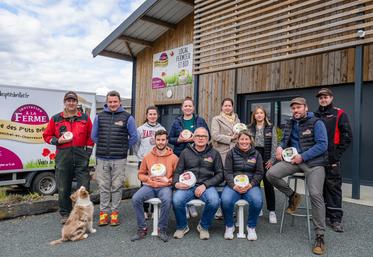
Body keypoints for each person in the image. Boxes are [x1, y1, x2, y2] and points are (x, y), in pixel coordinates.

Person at [266, 97, 328, 255]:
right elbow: (284, 140)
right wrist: (280, 148)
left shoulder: (316, 122)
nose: (295, 111)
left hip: (313, 163)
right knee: (271, 174)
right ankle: (293, 195)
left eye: (298, 107)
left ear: (305, 108)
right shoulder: (290, 123)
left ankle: (320, 236)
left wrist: (303, 156)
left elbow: (322, 145)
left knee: (315, 194)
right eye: (293, 108)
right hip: (292, 161)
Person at [43, 91, 94, 224]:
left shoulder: (85, 118)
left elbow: (91, 136)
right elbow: (46, 136)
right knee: (63, 186)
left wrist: (87, 152)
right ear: (64, 102)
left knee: (84, 186)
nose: (71, 103)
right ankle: (65, 214)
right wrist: (57, 141)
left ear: (77, 103)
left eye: (73, 100)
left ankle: (82, 214)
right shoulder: (56, 119)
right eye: (68, 100)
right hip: (63, 155)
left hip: (81, 155)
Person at [91, 90, 137, 226]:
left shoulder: (127, 117)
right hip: (102, 158)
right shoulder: (99, 117)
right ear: (106, 102)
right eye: (110, 102)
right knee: (104, 186)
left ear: (120, 102)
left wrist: (123, 147)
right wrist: (105, 145)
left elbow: (134, 137)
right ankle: (104, 214)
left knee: (117, 186)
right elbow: (93, 136)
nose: (112, 104)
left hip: (119, 159)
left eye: (115, 101)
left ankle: (114, 213)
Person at [172, 127, 223, 240]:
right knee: (176, 200)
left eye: (204, 136)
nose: (201, 138)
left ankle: (203, 226)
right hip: (188, 186)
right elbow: (178, 171)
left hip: (206, 186)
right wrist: (176, 183)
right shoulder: (185, 152)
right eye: (198, 136)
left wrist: (205, 185)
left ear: (208, 138)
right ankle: (182, 227)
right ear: (193, 138)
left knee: (214, 201)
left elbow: (220, 174)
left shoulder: (214, 153)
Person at [314, 88, 352, 233]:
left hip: (332, 159)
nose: (323, 99)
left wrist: (336, 155)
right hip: (317, 160)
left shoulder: (339, 113)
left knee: (334, 188)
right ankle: (321, 216)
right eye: (321, 97)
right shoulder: (314, 115)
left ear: (331, 98)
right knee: (319, 188)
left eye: (326, 97)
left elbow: (347, 136)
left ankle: (336, 219)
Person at [131, 130, 178, 242]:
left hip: (165, 186)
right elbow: (140, 174)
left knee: (167, 199)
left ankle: (162, 229)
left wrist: (168, 179)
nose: (161, 142)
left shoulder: (174, 158)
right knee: (136, 198)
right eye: (158, 140)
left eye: (163, 140)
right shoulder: (148, 157)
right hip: (150, 186)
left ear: (167, 141)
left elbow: (178, 175)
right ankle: (142, 228)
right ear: (155, 141)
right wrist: (148, 178)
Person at [169, 96, 210, 218]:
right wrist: (179, 139)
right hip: (180, 153)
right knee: (182, 178)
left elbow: (209, 136)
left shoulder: (200, 120)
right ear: (182, 108)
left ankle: (190, 203)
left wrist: (197, 139)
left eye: (190, 106)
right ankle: (185, 205)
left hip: (197, 154)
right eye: (185, 106)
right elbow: (170, 138)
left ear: (193, 108)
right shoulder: (176, 122)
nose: (187, 108)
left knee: (194, 176)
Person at [221, 130, 263, 241]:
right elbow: (227, 172)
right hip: (233, 185)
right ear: (238, 140)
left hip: (250, 185)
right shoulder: (231, 153)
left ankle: (251, 227)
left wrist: (251, 184)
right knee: (225, 200)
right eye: (242, 139)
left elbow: (259, 173)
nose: (244, 141)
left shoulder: (256, 154)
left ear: (250, 140)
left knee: (257, 201)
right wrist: (233, 186)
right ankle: (229, 226)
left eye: (246, 139)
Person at [133, 106, 165, 219]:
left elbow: (164, 144)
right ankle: (146, 210)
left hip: (158, 163)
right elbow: (136, 145)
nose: (152, 116)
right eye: (150, 114)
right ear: (146, 116)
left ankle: (154, 209)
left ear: (158, 115)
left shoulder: (162, 128)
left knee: (157, 184)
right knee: (145, 185)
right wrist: (140, 156)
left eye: (154, 114)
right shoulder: (140, 129)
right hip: (144, 161)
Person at [247, 106, 278, 224]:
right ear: (254, 116)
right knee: (255, 184)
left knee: (268, 184)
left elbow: (275, 144)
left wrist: (272, 159)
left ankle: (272, 211)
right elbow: (246, 145)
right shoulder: (249, 128)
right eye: (257, 113)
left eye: (261, 113)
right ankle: (258, 207)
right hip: (254, 157)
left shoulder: (270, 127)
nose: (259, 115)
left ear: (264, 115)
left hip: (266, 157)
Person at [211, 98, 240, 164]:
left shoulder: (237, 119)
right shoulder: (216, 119)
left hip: (235, 150)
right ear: (222, 107)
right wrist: (231, 138)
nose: (227, 108)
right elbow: (215, 135)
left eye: (229, 106)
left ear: (232, 107)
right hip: (222, 151)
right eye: (225, 106)